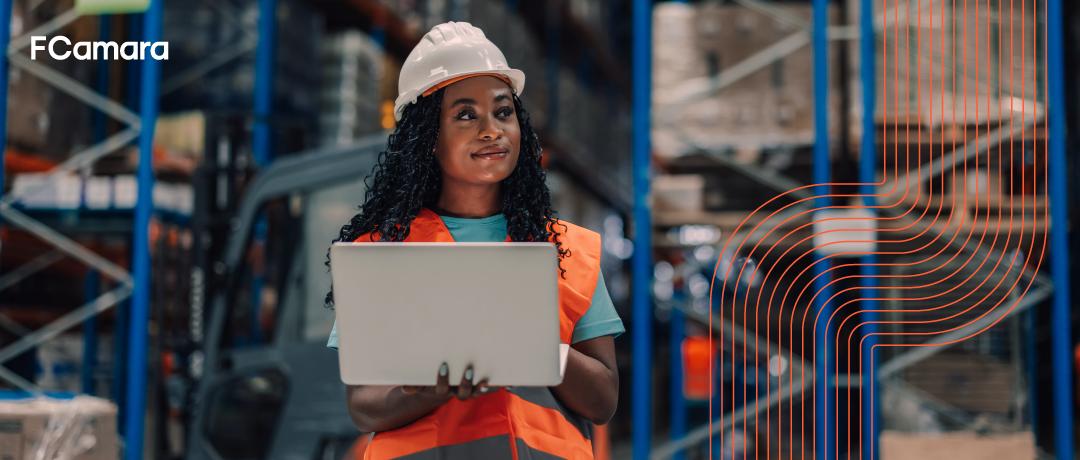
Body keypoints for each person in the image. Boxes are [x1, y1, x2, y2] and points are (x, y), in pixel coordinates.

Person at [324, 22, 624, 460]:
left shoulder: (569, 252)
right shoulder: (380, 254)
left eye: (503, 112)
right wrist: (428, 394)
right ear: (427, 139)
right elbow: (363, 408)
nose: (491, 129)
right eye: (465, 115)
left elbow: (603, 402)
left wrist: (538, 348)